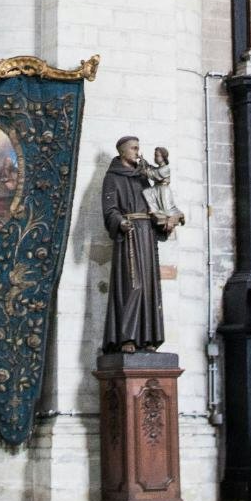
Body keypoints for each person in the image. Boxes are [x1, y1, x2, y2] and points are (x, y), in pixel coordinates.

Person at [102, 136, 176, 352]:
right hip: (130, 236)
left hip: (147, 235)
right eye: (134, 148)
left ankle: (147, 338)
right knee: (133, 285)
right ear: (122, 151)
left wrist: (165, 222)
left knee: (150, 286)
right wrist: (120, 222)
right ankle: (127, 338)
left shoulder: (142, 177)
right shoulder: (112, 178)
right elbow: (109, 210)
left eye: (138, 148)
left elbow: (153, 205)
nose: (137, 152)